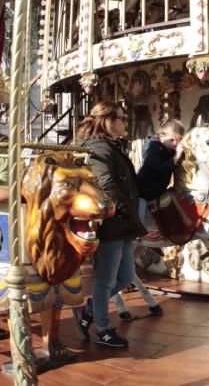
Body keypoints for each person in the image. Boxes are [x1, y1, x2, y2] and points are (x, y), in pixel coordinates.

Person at [74, 102, 146, 349]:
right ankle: (102, 329)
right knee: (105, 280)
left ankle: (89, 311)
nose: (125, 123)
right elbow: (106, 183)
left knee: (125, 277)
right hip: (112, 222)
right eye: (121, 118)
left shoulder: (111, 147)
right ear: (107, 121)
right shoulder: (97, 149)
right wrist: (124, 208)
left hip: (123, 222)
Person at [138, 119, 185, 206]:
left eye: (177, 141)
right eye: (171, 140)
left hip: (159, 191)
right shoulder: (152, 148)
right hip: (144, 192)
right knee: (141, 216)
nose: (174, 143)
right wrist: (176, 157)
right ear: (161, 136)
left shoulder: (168, 148)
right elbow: (158, 171)